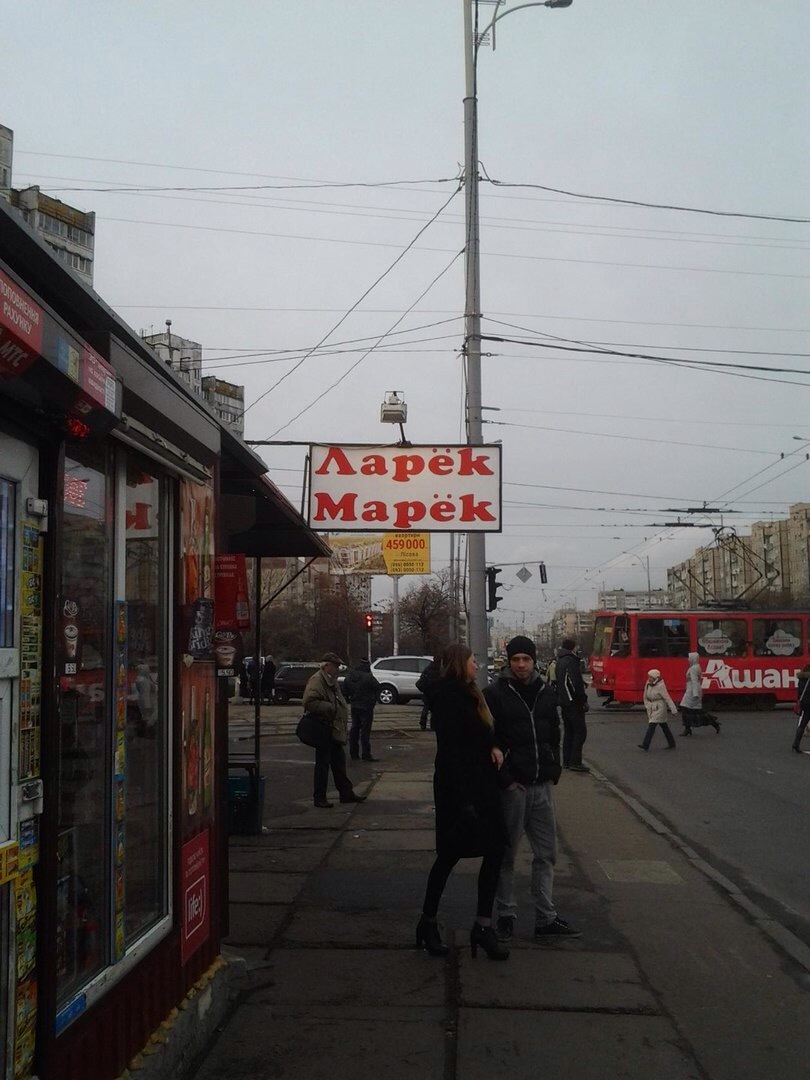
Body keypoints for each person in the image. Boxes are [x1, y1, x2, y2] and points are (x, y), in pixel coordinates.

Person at [416, 644, 509, 961]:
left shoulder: (471, 692)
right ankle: (427, 922)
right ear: (459, 663)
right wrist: (465, 801)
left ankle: (483, 925)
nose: (477, 665)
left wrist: (494, 746)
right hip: (461, 791)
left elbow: (486, 730)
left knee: (496, 849)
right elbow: (453, 752)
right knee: (448, 856)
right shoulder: (448, 697)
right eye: (473, 660)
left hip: (482, 786)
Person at [484, 635, 580, 942]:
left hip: (541, 785)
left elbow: (553, 731)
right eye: (516, 660)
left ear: (533, 660)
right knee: (506, 855)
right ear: (508, 662)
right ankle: (506, 915)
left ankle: (545, 917)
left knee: (546, 854)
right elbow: (487, 738)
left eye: (526, 659)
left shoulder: (545, 691)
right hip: (514, 788)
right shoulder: (495, 694)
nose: (521, 665)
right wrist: (505, 777)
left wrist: (554, 766)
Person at [302, 652, 366, 808]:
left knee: (339, 762)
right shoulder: (318, 680)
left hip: (333, 728)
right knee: (323, 765)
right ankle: (320, 798)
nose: (338, 669)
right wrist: (330, 708)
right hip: (323, 728)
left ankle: (346, 793)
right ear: (327, 666)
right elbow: (309, 702)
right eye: (335, 666)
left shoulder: (331, 680)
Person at [556, 638, 589, 772]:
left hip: (565, 702)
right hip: (573, 702)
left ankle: (567, 761)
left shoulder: (560, 661)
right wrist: (582, 700)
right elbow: (574, 684)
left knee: (569, 732)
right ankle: (575, 762)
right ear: (573, 648)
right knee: (580, 732)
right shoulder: (570, 661)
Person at [343, 657, 381, 761]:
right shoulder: (368, 677)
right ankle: (366, 754)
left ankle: (354, 753)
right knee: (365, 731)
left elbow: (344, 690)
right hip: (366, 706)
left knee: (354, 728)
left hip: (355, 705)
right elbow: (378, 687)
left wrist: (350, 699)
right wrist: (373, 700)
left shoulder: (350, 676)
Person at [679, 652, 720, 735]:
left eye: (689, 657)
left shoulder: (693, 668)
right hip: (693, 690)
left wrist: (695, 693)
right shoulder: (696, 667)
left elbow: (694, 681)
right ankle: (712, 723)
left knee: (688, 709)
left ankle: (689, 728)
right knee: (691, 710)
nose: (688, 659)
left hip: (692, 691)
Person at [639, 669, 678, 751]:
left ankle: (645, 744)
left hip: (660, 707)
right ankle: (672, 742)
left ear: (655, 677)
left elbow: (667, 698)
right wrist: (647, 704)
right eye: (648, 676)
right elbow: (645, 695)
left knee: (652, 724)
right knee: (664, 725)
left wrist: (673, 709)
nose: (649, 678)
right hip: (652, 706)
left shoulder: (660, 686)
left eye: (650, 677)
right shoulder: (648, 684)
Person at [416, 655, 441, 730]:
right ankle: (433, 725)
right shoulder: (440, 670)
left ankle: (423, 723)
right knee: (435, 710)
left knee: (426, 708)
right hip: (436, 693)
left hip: (427, 692)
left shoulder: (428, 669)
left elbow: (422, 679)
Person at [792, 662, 810, 754]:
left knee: (802, 724)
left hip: (804, 703)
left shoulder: (801, 679)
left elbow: (799, 692)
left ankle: (795, 744)